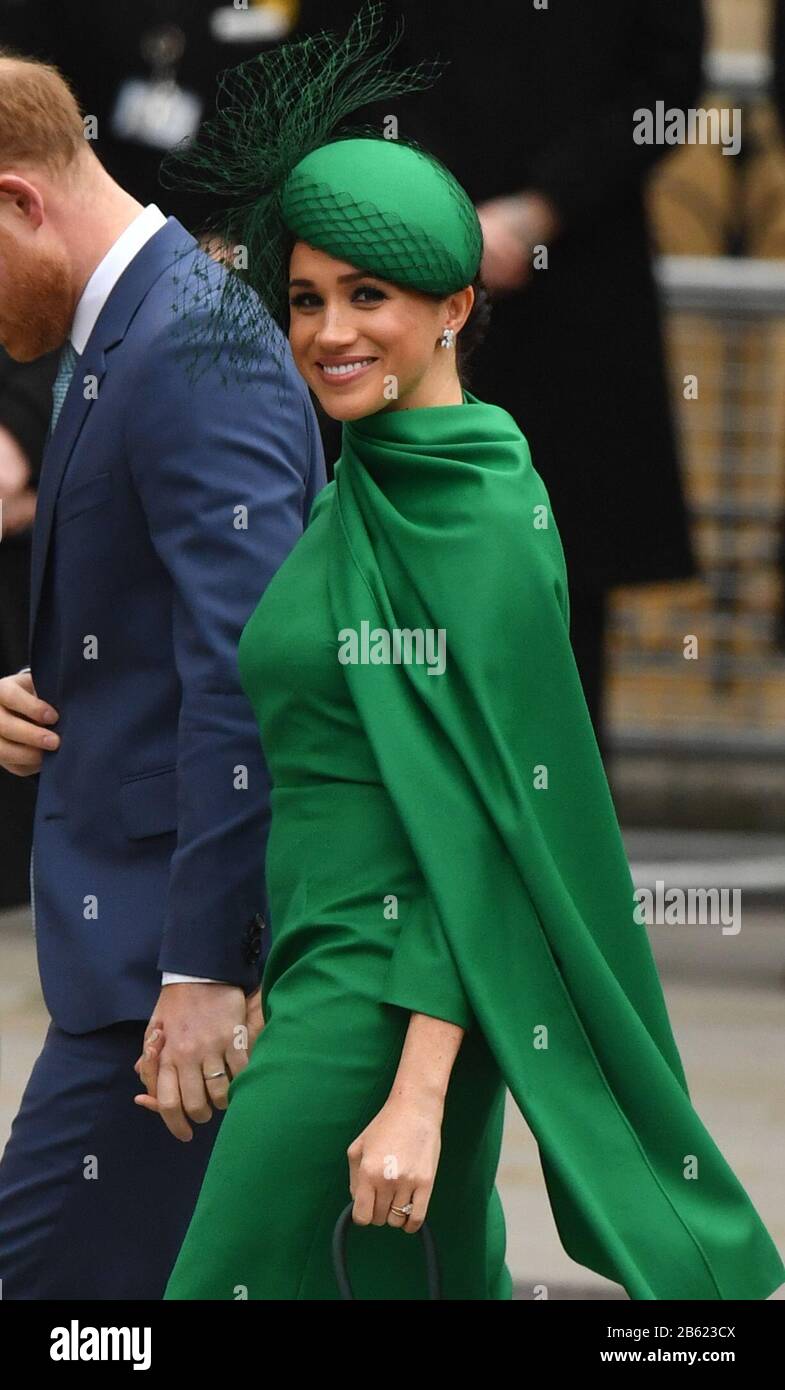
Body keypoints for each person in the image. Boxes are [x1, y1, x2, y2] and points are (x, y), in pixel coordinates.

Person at [143, 5, 784, 1301]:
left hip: (383, 1012)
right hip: (319, 982)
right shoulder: (367, 478)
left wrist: (421, 1093)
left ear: (453, 304)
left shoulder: (479, 511)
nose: (328, 331)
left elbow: (499, 828)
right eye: (306, 297)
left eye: (368, 296)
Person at [0, 48, 325, 1298]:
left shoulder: (185, 338)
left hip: (162, 975)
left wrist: (205, 967)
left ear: (22, 200)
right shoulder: (138, 320)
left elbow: (251, 670)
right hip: (136, 957)